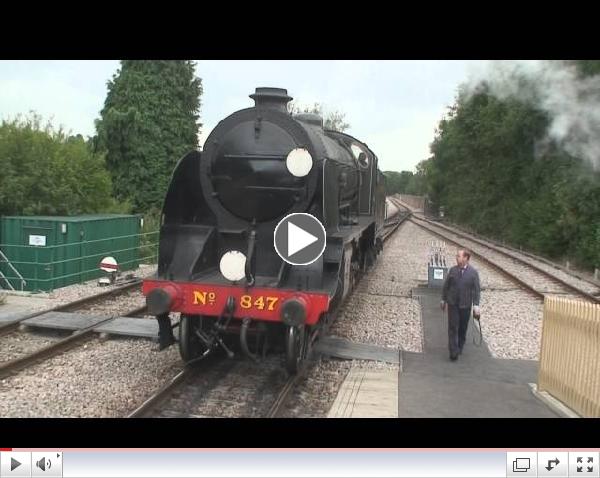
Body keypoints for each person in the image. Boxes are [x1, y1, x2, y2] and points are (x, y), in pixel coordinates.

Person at [440, 248, 481, 361]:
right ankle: (453, 351)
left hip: (465, 305)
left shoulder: (473, 273)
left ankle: (459, 346)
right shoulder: (452, 270)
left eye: (459, 256)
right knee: (453, 327)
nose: (457, 258)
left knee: (462, 328)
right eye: (457, 256)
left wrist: (476, 305)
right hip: (453, 303)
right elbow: (446, 286)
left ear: (466, 258)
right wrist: (443, 299)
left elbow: (476, 290)